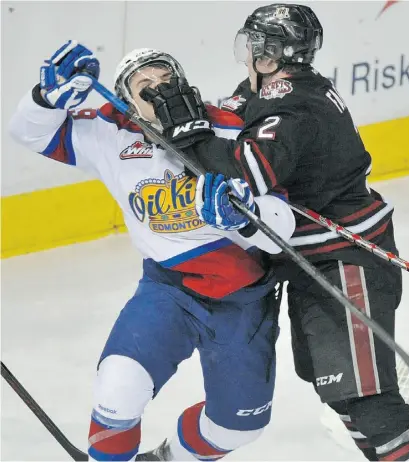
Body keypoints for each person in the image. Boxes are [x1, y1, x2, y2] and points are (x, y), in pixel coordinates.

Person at [143, 4, 409, 461]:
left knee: (366, 398)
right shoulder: (282, 88)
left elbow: (245, 177)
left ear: (267, 54)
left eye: (252, 47)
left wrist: (190, 139)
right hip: (316, 262)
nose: (246, 57)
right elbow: (233, 116)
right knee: (340, 391)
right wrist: (181, 119)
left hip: (346, 260)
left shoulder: (293, 106)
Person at [8, 41, 296, 461]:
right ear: (127, 104)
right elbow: (28, 132)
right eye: (145, 87)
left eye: (167, 79)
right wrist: (43, 99)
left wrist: (247, 215)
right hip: (168, 291)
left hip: (244, 300)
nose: (160, 90)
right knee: (118, 387)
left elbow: (282, 230)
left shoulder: (233, 131)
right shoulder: (112, 132)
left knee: (236, 429)